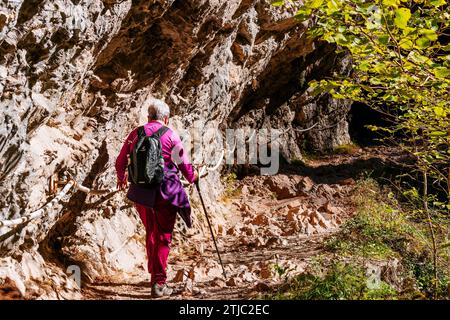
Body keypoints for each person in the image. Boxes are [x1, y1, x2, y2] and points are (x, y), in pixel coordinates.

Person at [115, 98, 197, 298]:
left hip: (140, 194)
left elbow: (120, 161)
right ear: (166, 118)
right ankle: (158, 284)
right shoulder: (171, 135)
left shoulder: (135, 133)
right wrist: (194, 176)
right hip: (165, 193)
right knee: (162, 237)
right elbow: (184, 165)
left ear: (148, 116)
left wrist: (122, 178)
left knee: (151, 233)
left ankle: (155, 277)